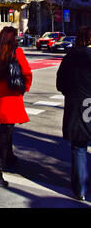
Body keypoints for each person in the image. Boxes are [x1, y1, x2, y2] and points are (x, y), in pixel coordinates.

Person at [0, 26, 32, 187]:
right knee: (4, 133)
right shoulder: (17, 52)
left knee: (7, 127)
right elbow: (27, 73)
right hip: (12, 96)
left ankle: (9, 156)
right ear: (13, 39)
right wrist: (24, 89)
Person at [56, 26, 91, 201]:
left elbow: (60, 83)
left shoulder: (70, 58)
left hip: (76, 105)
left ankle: (80, 190)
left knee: (79, 147)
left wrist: (70, 93)